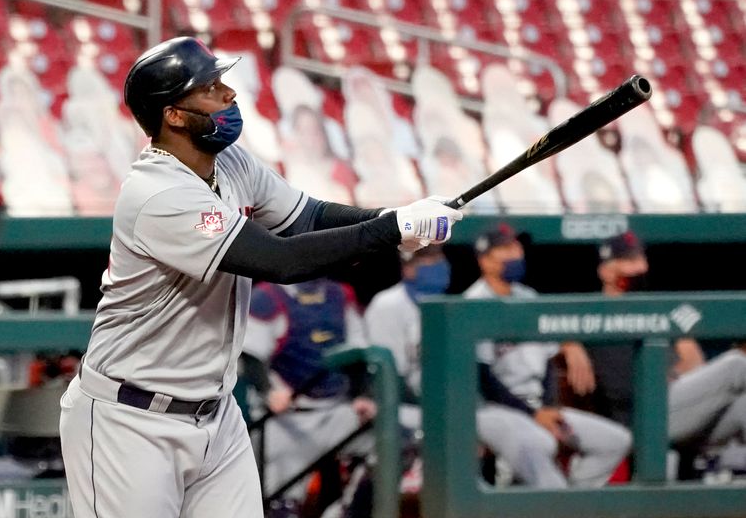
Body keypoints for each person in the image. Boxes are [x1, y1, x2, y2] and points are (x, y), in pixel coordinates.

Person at [57, 36, 462, 518]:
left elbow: (307, 217)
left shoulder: (229, 162)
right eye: (210, 88)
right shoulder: (156, 194)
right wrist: (388, 229)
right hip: (129, 419)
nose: (229, 94)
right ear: (174, 115)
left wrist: (395, 220)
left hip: (215, 411)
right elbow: (280, 260)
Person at [365, 246, 570, 489]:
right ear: (408, 268)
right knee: (464, 453)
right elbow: (392, 379)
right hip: (412, 409)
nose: (437, 264)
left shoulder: (450, 305)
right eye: (426, 259)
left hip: (462, 407)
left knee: (536, 441)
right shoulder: (388, 305)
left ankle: (549, 503)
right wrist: (451, 420)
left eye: (438, 257)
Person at [464, 223, 632, 487]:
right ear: (485, 261)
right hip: (495, 410)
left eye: (517, 245)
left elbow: (548, 364)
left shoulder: (528, 297)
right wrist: (534, 415)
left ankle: (572, 501)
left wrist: (549, 408)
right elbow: (483, 380)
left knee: (615, 441)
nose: (516, 253)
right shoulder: (473, 303)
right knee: (539, 444)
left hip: (537, 406)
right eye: (506, 248)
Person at [241, 278, 375, 509]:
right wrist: (268, 391)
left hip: (336, 409)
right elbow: (250, 354)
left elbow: (357, 350)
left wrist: (362, 394)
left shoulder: (340, 293)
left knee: (395, 440)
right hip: (286, 419)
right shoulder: (267, 296)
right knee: (278, 503)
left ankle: (345, 509)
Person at [573, 231, 705, 428]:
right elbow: (546, 322)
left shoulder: (660, 309)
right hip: (639, 416)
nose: (642, 267)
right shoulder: (589, 314)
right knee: (737, 366)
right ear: (606, 272)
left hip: (680, 400)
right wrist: (568, 345)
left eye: (642, 258)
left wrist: (673, 376)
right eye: (631, 261)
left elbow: (695, 361)